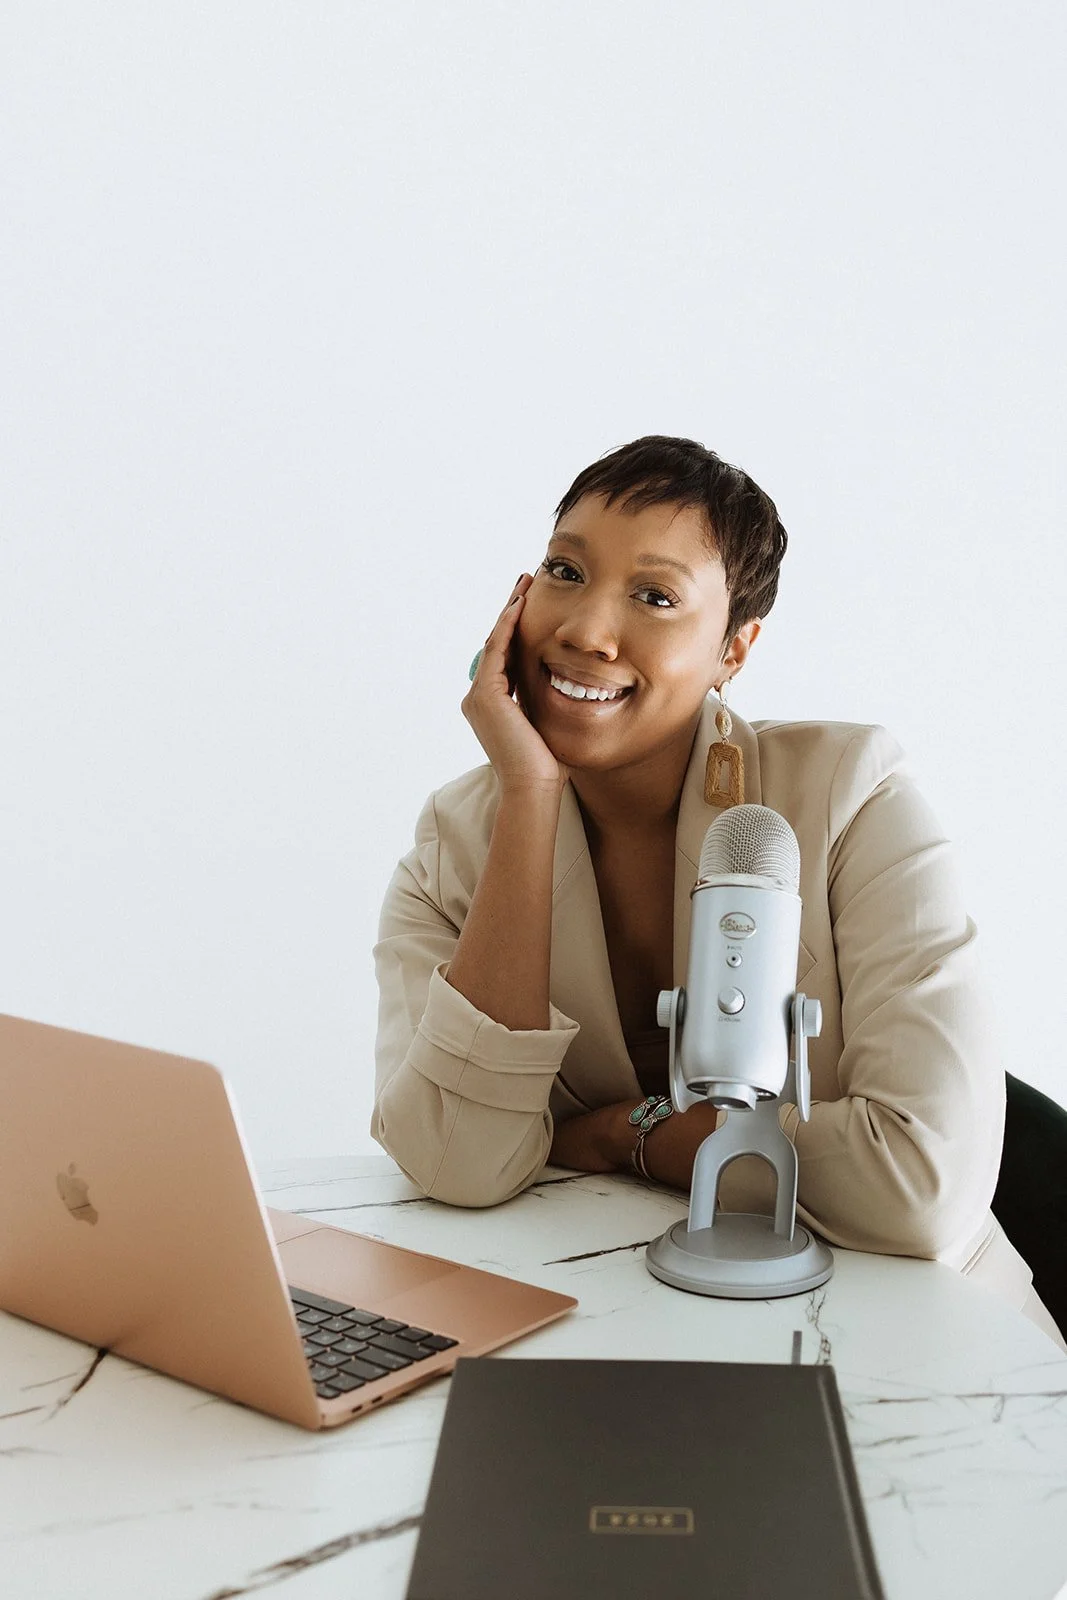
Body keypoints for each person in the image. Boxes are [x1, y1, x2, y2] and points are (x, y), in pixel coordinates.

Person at [371, 434, 1063, 1348]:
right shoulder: (456, 844)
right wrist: (528, 798)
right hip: (616, 1330)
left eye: (654, 596)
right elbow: (455, 1163)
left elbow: (916, 1188)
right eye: (564, 572)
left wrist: (625, 1135)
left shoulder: (850, 796)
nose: (584, 630)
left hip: (919, 1348)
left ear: (733, 649)